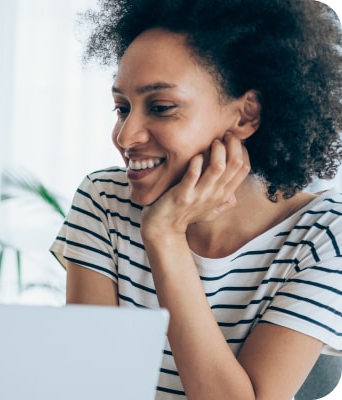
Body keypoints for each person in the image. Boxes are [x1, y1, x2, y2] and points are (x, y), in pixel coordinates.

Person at [50, 0, 342, 399]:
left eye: (162, 107)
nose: (125, 135)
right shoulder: (104, 201)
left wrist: (166, 237)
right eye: (122, 108)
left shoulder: (326, 235)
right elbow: (91, 387)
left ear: (245, 115)